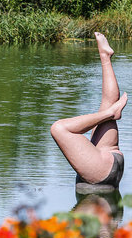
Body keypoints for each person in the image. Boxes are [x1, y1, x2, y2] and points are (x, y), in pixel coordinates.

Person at [50, 32, 127, 193]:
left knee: (59, 128)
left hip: (102, 172)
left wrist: (110, 113)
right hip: (107, 162)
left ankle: (110, 112)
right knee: (108, 105)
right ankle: (105, 57)